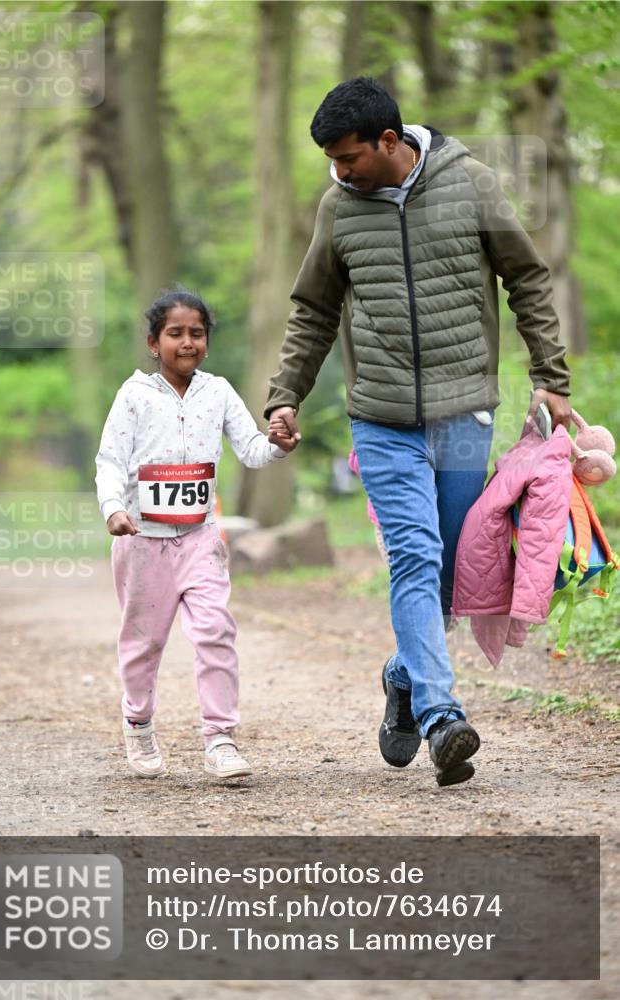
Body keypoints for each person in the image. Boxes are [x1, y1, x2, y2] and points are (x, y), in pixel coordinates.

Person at [266, 77, 572, 787]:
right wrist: (284, 396)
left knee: (448, 574)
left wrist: (549, 375)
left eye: (349, 158)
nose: (339, 173)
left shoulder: (471, 185)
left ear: (389, 141)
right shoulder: (338, 209)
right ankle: (441, 718)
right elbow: (312, 311)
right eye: (331, 162)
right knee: (413, 556)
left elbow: (526, 278)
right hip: (379, 416)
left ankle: (402, 679)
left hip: (464, 411)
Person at [96, 288, 296, 781]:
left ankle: (220, 738)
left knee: (214, 631)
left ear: (207, 340)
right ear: (153, 342)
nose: (187, 342)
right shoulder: (134, 396)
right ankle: (138, 721)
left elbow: (251, 450)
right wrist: (113, 509)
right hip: (142, 541)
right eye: (175, 333)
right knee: (144, 642)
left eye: (197, 333)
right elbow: (110, 461)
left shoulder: (219, 391)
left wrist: (278, 445)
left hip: (201, 539)